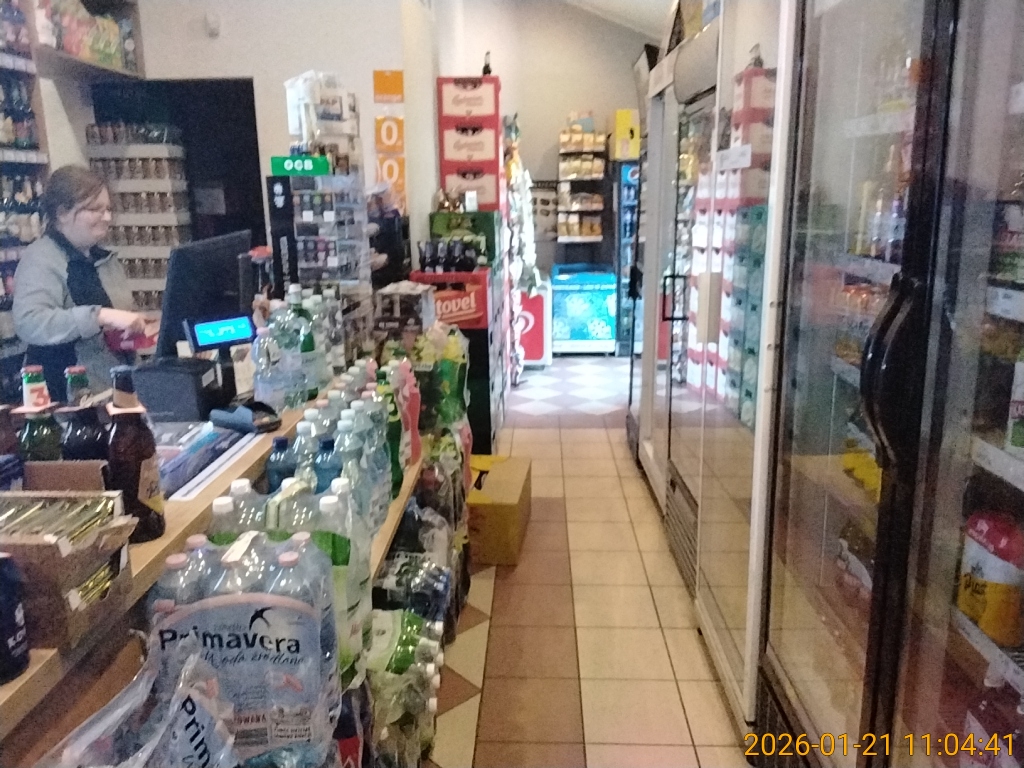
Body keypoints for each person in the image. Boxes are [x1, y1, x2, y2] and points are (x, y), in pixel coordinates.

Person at [12, 166, 148, 401]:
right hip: (68, 399)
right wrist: (100, 316)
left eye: (108, 209)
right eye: (95, 209)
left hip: (114, 392)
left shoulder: (104, 259)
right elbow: (30, 322)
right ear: (62, 213)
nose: (107, 218)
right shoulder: (41, 259)